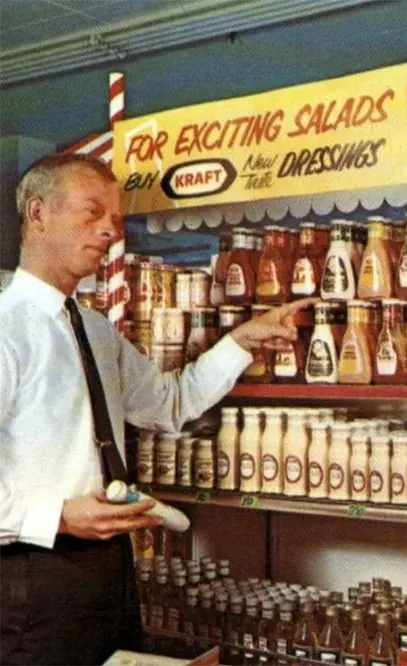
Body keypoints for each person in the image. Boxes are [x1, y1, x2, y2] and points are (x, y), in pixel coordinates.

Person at [0, 152, 313, 666]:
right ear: (37, 213)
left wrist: (240, 342)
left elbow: (170, 405)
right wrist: (56, 516)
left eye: (116, 221)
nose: (109, 232)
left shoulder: (96, 329)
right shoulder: (7, 329)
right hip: (31, 577)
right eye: (92, 212)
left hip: (110, 569)